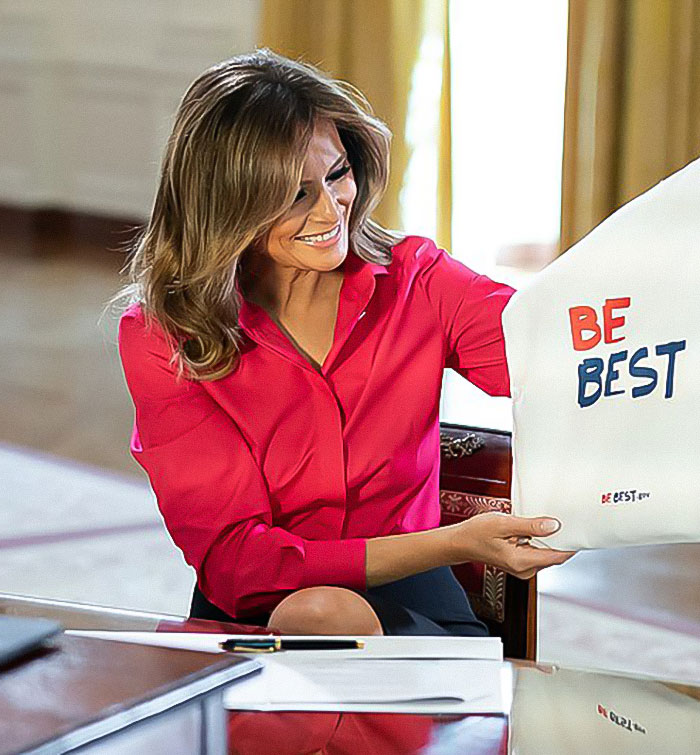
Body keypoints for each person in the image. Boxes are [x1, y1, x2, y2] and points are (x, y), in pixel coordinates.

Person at [115, 48, 574, 637]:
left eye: (337, 175)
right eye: (295, 194)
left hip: (412, 596)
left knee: (324, 616)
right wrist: (455, 543)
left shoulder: (419, 280)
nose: (331, 208)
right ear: (228, 204)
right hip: (256, 608)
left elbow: (565, 369)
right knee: (318, 614)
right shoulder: (162, 335)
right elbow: (237, 563)